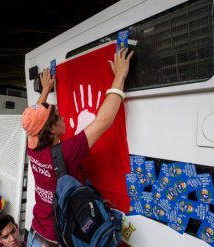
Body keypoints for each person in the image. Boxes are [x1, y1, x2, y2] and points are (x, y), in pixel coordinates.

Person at [21, 48, 133, 246]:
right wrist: (120, 76)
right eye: (59, 116)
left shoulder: (34, 147)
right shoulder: (66, 152)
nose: (64, 116)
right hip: (57, 239)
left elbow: (35, 122)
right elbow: (103, 122)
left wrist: (46, 90)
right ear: (53, 130)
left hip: (35, 234)